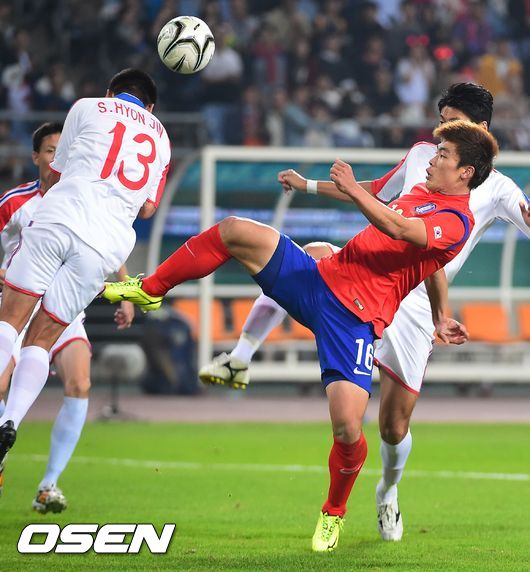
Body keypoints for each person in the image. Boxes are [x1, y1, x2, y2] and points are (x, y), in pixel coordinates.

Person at [102, 120, 499, 552]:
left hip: (354, 321)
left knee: (348, 429)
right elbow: (430, 262)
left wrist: (354, 189)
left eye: (444, 154)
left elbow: (402, 231)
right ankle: (152, 290)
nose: (434, 159)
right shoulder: (421, 191)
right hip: (319, 280)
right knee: (234, 229)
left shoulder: (457, 221)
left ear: (465, 172)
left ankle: (333, 512)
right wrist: (441, 314)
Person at [198, 82, 530, 542]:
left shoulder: (498, 186)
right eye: (440, 121)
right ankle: (239, 357)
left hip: (416, 303)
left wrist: (440, 314)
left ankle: (388, 491)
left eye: (453, 122)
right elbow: (374, 191)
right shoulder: (423, 155)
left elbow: (517, 219)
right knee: (311, 255)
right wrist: (307, 184)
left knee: (393, 426)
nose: (441, 132)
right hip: (367, 273)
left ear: (482, 129)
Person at [0, 69, 170, 479]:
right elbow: (148, 208)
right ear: (149, 107)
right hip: (105, 246)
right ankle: (10, 423)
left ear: (110, 92)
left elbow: (56, 173)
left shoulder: (88, 107)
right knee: (43, 338)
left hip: (61, 217)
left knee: (10, 320)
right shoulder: (162, 138)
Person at [0, 122, 135, 512]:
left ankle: (48, 485)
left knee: (80, 382)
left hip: (64, 306)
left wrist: (125, 291)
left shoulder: (86, 196)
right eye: (50, 150)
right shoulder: (15, 201)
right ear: (36, 157)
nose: (57, 157)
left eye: (64, 150)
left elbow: (107, 242)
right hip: (21, 304)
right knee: (2, 382)